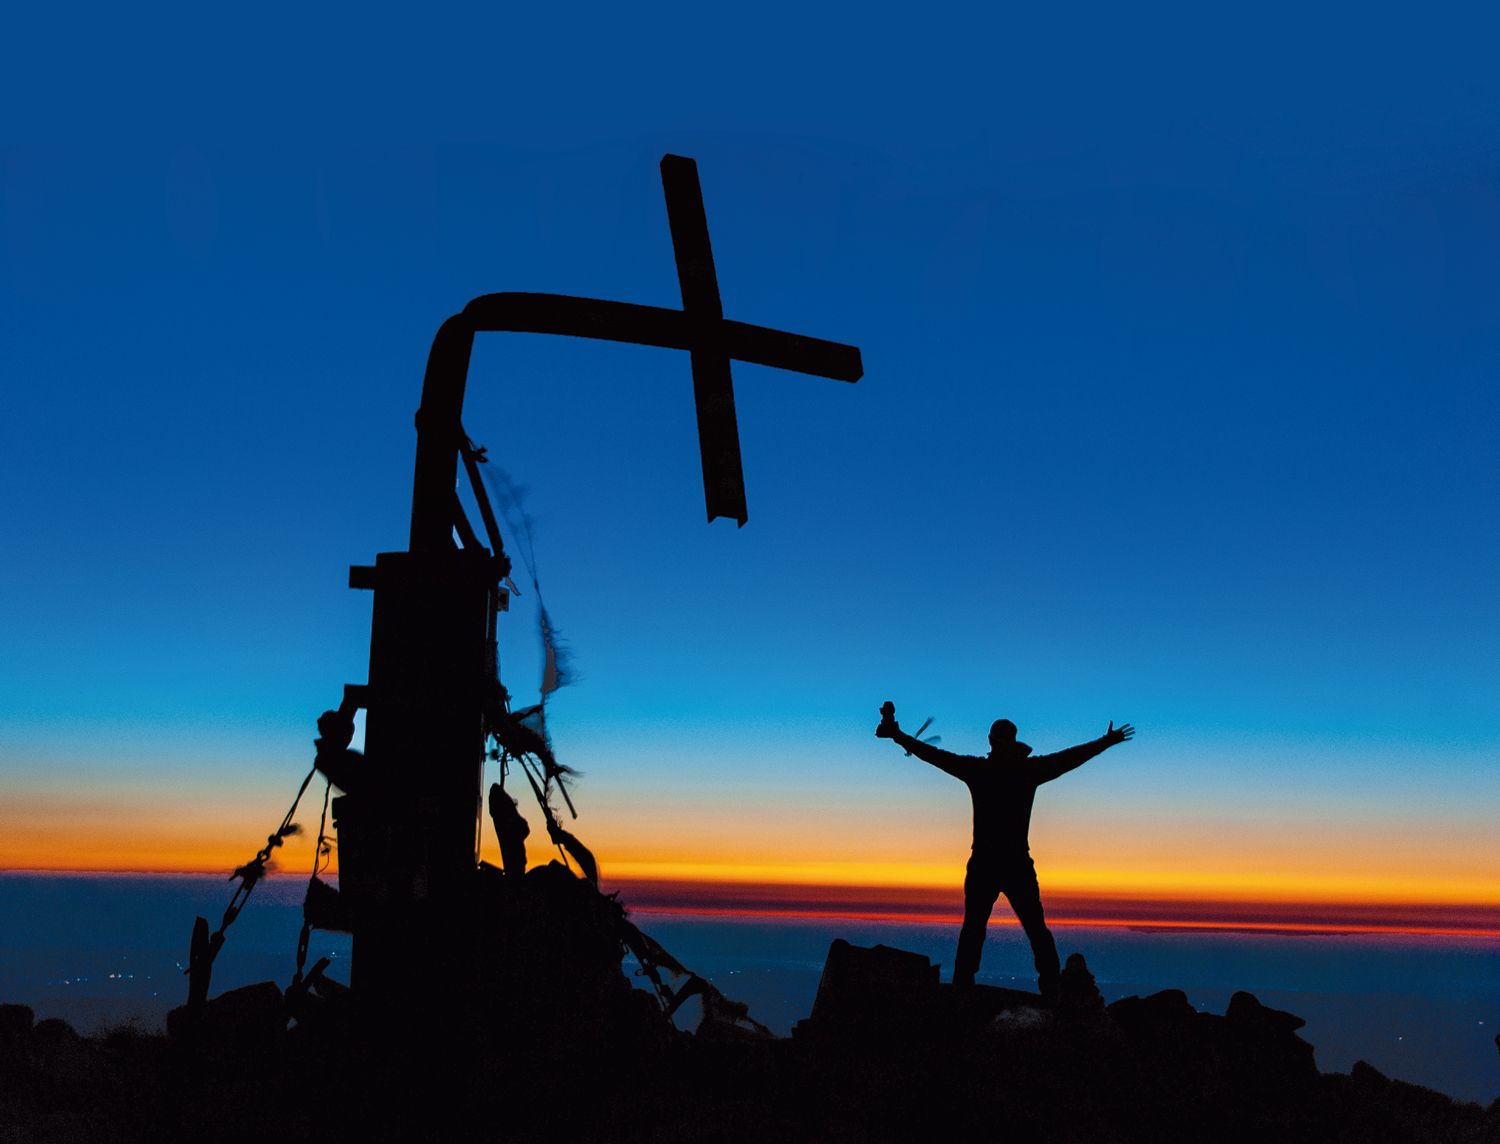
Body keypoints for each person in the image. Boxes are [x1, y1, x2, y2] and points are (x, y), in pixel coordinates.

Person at [875, 701, 1134, 998]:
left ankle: (963, 989)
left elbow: (935, 756)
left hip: (987, 864)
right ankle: (1050, 990)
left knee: (976, 930)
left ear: (990, 740)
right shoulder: (1028, 771)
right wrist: (1105, 742)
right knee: (1034, 930)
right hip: (1015, 865)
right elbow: (1069, 759)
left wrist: (897, 735)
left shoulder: (980, 770)